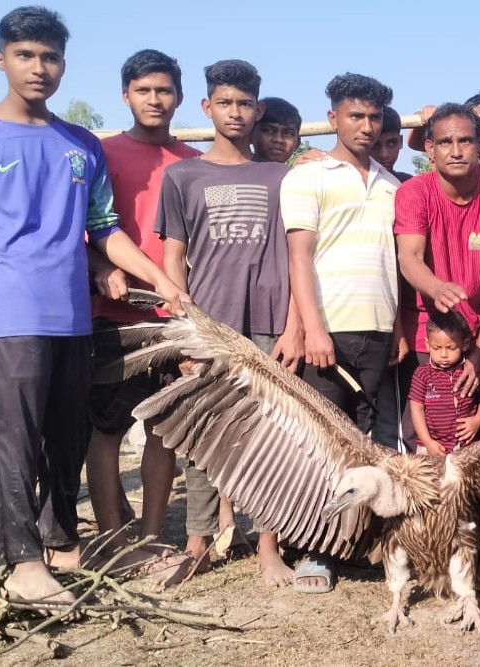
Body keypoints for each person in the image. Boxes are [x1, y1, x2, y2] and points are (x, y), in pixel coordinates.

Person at [0, 6, 185, 607]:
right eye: (25, 55)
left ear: (64, 65)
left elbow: (105, 228)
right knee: (14, 441)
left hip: (74, 316)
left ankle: (60, 541)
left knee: (67, 438)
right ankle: (21, 561)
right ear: (1, 60)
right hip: (10, 315)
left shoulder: (80, 144)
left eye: (49, 57)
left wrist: (158, 276)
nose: (39, 67)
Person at [155, 59, 303, 590]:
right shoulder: (182, 175)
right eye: (225, 103)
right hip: (209, 324)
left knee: (268, 437)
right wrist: (186, 329)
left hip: (268, 323)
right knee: (202, 434)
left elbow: (296, 255)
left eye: (245, 104)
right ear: (207, 107)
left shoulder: (285, 177)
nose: (235, 113)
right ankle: (197, 542)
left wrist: (294, 327)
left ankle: (268, 543)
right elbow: (173, 258)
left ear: (257, 109)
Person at [83, 48, 202, 583]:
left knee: (164, 429)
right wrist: (94, 266)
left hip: (175, 314)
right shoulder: (99, 152)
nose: (155, 99)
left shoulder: (194, 161)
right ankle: (111, 534)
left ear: (178, 97)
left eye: (164, 90)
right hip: (112, 313)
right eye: (144, 90)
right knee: (104, 428)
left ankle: (154, 536)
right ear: (125, 96)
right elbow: (79, 226)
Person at [282, 72, 399, 592]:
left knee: (363, 441)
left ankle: (353, 544)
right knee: (322, 442)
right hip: (328, 329)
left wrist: (395, 329)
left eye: (375, 117)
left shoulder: (392, 183)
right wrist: (312, 328)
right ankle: (314, 551)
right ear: (332, 118)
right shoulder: (307, 177)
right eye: (356, 115)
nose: (366, 126)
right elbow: (299, 258)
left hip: (377, 330)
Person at [378, 103, 480, 451]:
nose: (455, 151)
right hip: (426, 338)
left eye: (465, 141)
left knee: (477, 442)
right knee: (422, 439)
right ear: (429, 148)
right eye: (445, 142)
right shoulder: (414, 193)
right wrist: (436, 287)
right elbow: (408, 258)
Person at [409, 313, 480, 456]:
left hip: (467, 449)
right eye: (436, 348)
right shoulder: (422, 374)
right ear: (427, 344)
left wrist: (478, 419)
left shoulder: (471, 372)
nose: (443, 354)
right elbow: (416, 410)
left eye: (451, 348)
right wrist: (427, 442)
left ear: (465, 344)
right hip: (431, 449)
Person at [252, 96, 301, 164]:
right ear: (251, 134)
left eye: (288, 133)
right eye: (269, 130)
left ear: (298, 143)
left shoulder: (302, 173)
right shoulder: (236, 171)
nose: (278, 140)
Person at [373, 105, 413, 182]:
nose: (384, 155)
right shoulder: (351, 182)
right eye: (375, 145)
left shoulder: (408, 183)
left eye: (391, 144)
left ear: (400, 142)